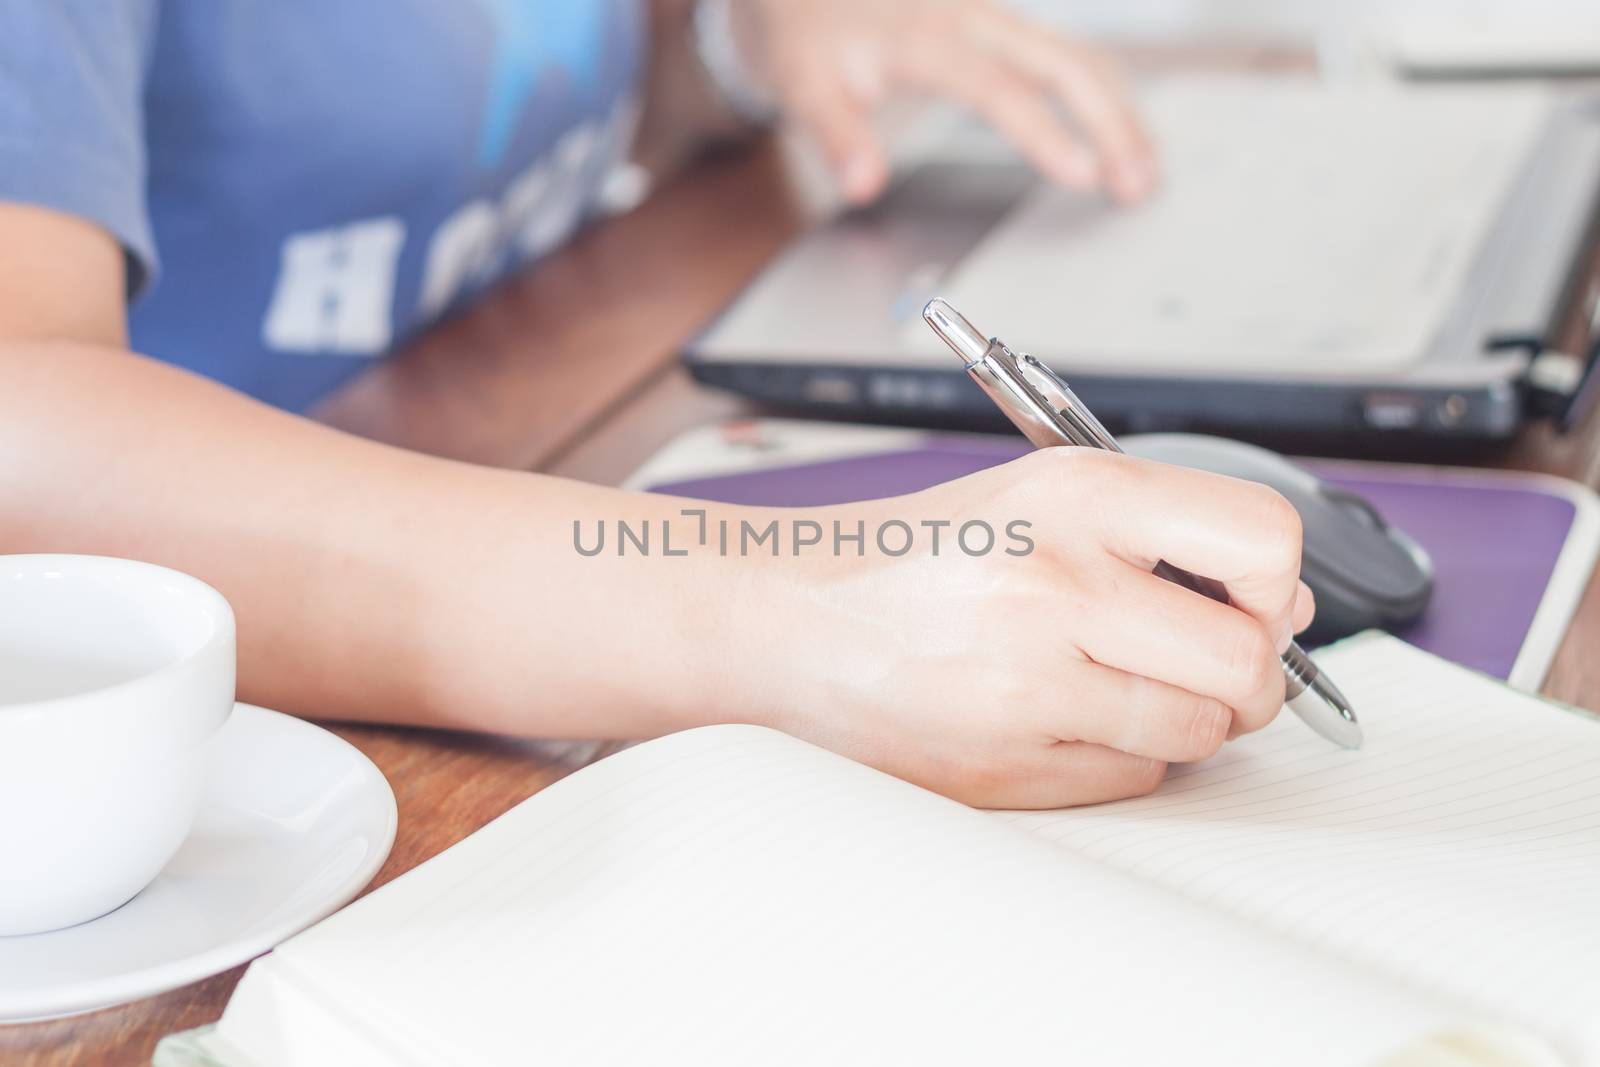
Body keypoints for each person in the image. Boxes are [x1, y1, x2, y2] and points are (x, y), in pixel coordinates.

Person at [0, 0, 1311, 809]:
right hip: (192, 761)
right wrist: (781, 602)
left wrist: (738, 42)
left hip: (518, 426)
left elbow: (503, 95)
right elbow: (22, 437)